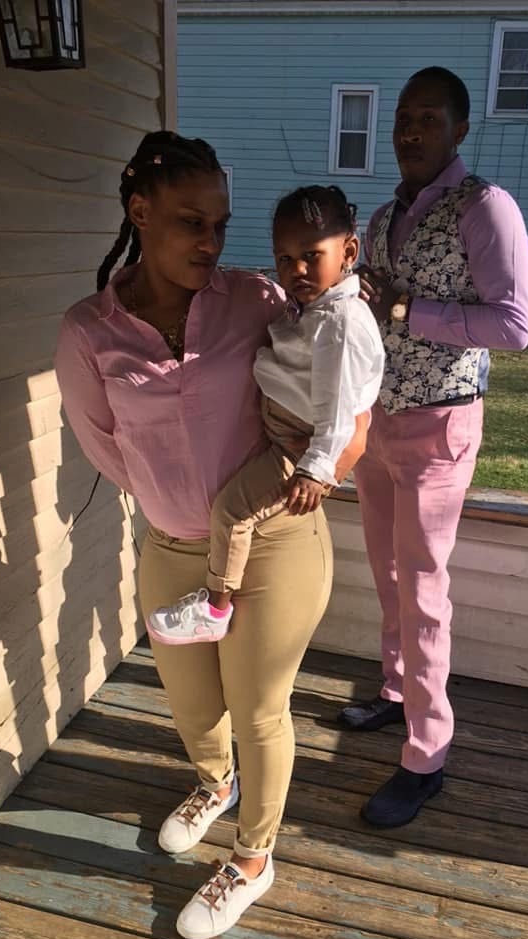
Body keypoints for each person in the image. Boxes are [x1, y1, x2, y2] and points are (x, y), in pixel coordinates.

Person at [55, 131, 369, 939]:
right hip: (170, 547)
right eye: (191, 222)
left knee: (259, 710)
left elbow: (342, 386)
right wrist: (178, 498)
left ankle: (253, 860)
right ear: (139, 212)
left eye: (221, 225)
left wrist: (325, 462)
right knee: (195, 707)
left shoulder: (255, 300)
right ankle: (214, 782)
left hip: (274, 541)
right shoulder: (89, 331)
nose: (210, 242)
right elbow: (104, 447)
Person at [337, 67, 528, 828]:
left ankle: (426, 755)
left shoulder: (486, 208)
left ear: (459, 128)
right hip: (380, 417)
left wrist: (406, 308)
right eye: (402, 117)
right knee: (387, 573)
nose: (409, 130)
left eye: (427, 117)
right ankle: (396, 692)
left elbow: (514, 326)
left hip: (441, 421)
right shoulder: (386, 214)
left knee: (423, 589)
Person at [146, 185, 384, 645]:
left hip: (298, 445)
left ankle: (215, 607)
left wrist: (315, 470)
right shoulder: (316, 308)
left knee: (232, 512)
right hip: (281, 429)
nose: (297, 269)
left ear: (349, 252)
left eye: (311, 256)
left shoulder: (340, 324)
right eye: (284, 258)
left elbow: (339, 411)